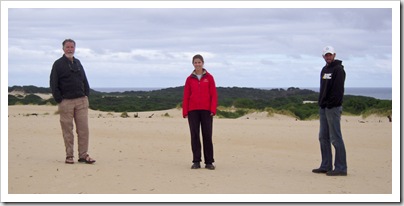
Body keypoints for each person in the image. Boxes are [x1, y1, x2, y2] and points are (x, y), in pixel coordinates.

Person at [50, 39, 96, 164]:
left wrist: (86, 94)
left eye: (72, 47)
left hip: (81, 101)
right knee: (67, 130)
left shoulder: (77, 62)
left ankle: (83, 155)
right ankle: (69, 156)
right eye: (67, 47)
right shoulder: (58, 64)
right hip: (66, 102)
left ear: (74, 48)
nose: (70, 49)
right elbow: (54, 84)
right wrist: (60, 99)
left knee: (83, 130)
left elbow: (84, 79)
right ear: (63, 48)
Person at [312, 46, 347, 176]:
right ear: (323, 57)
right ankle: (326, 165)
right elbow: (323, 88)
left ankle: (341, 167)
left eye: (330, 55)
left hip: (333, 108)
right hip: (323, 107)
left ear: (334, 55)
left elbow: (338, 90)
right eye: (326, 55)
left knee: (335, 137)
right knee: (323, 137)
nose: (328, 57)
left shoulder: (338, 70)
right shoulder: (324, 70)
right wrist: (321, 103)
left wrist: (331, 104)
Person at [182, 54, 218, 170]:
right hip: (193, 110)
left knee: (207, 135)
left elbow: (213, 95)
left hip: (206, 110)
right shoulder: (189, 79)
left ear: (203, 63)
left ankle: (209, 162)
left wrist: (213, 109)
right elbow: (186, 95)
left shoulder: (210, 77)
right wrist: (185, 111)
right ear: (193, 64)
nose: (197, 64)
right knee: (195, 136)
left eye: (199, 62)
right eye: (195, 62)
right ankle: (196, 161)